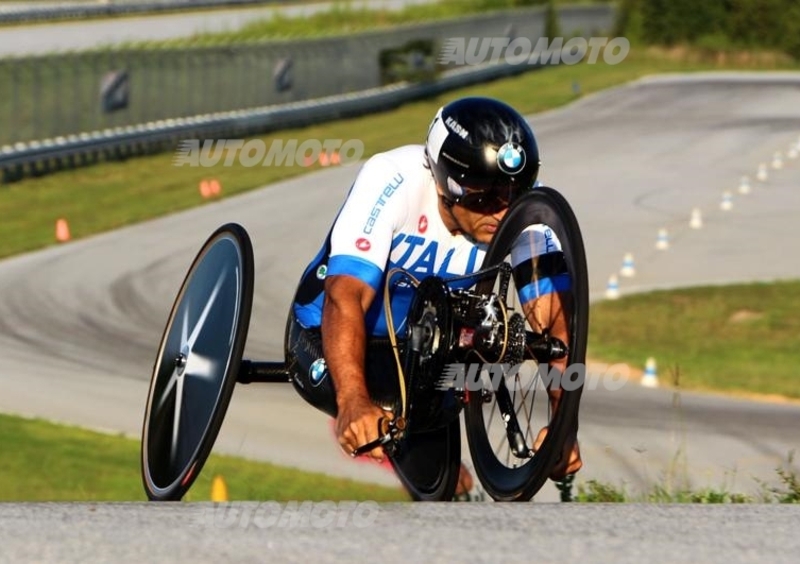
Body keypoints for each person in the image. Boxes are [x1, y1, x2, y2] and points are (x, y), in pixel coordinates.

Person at [286, 96, 582, 497]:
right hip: (323, 334)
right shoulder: (392, 178)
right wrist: (353, 400)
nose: (502, 211)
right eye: (484, 198)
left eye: (515, 192)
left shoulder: (526, 210)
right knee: (393, 433)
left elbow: (556, 328)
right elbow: (346, 297)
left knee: (442, 498)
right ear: (447, 183)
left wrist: (565, 422)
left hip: (426, 357)